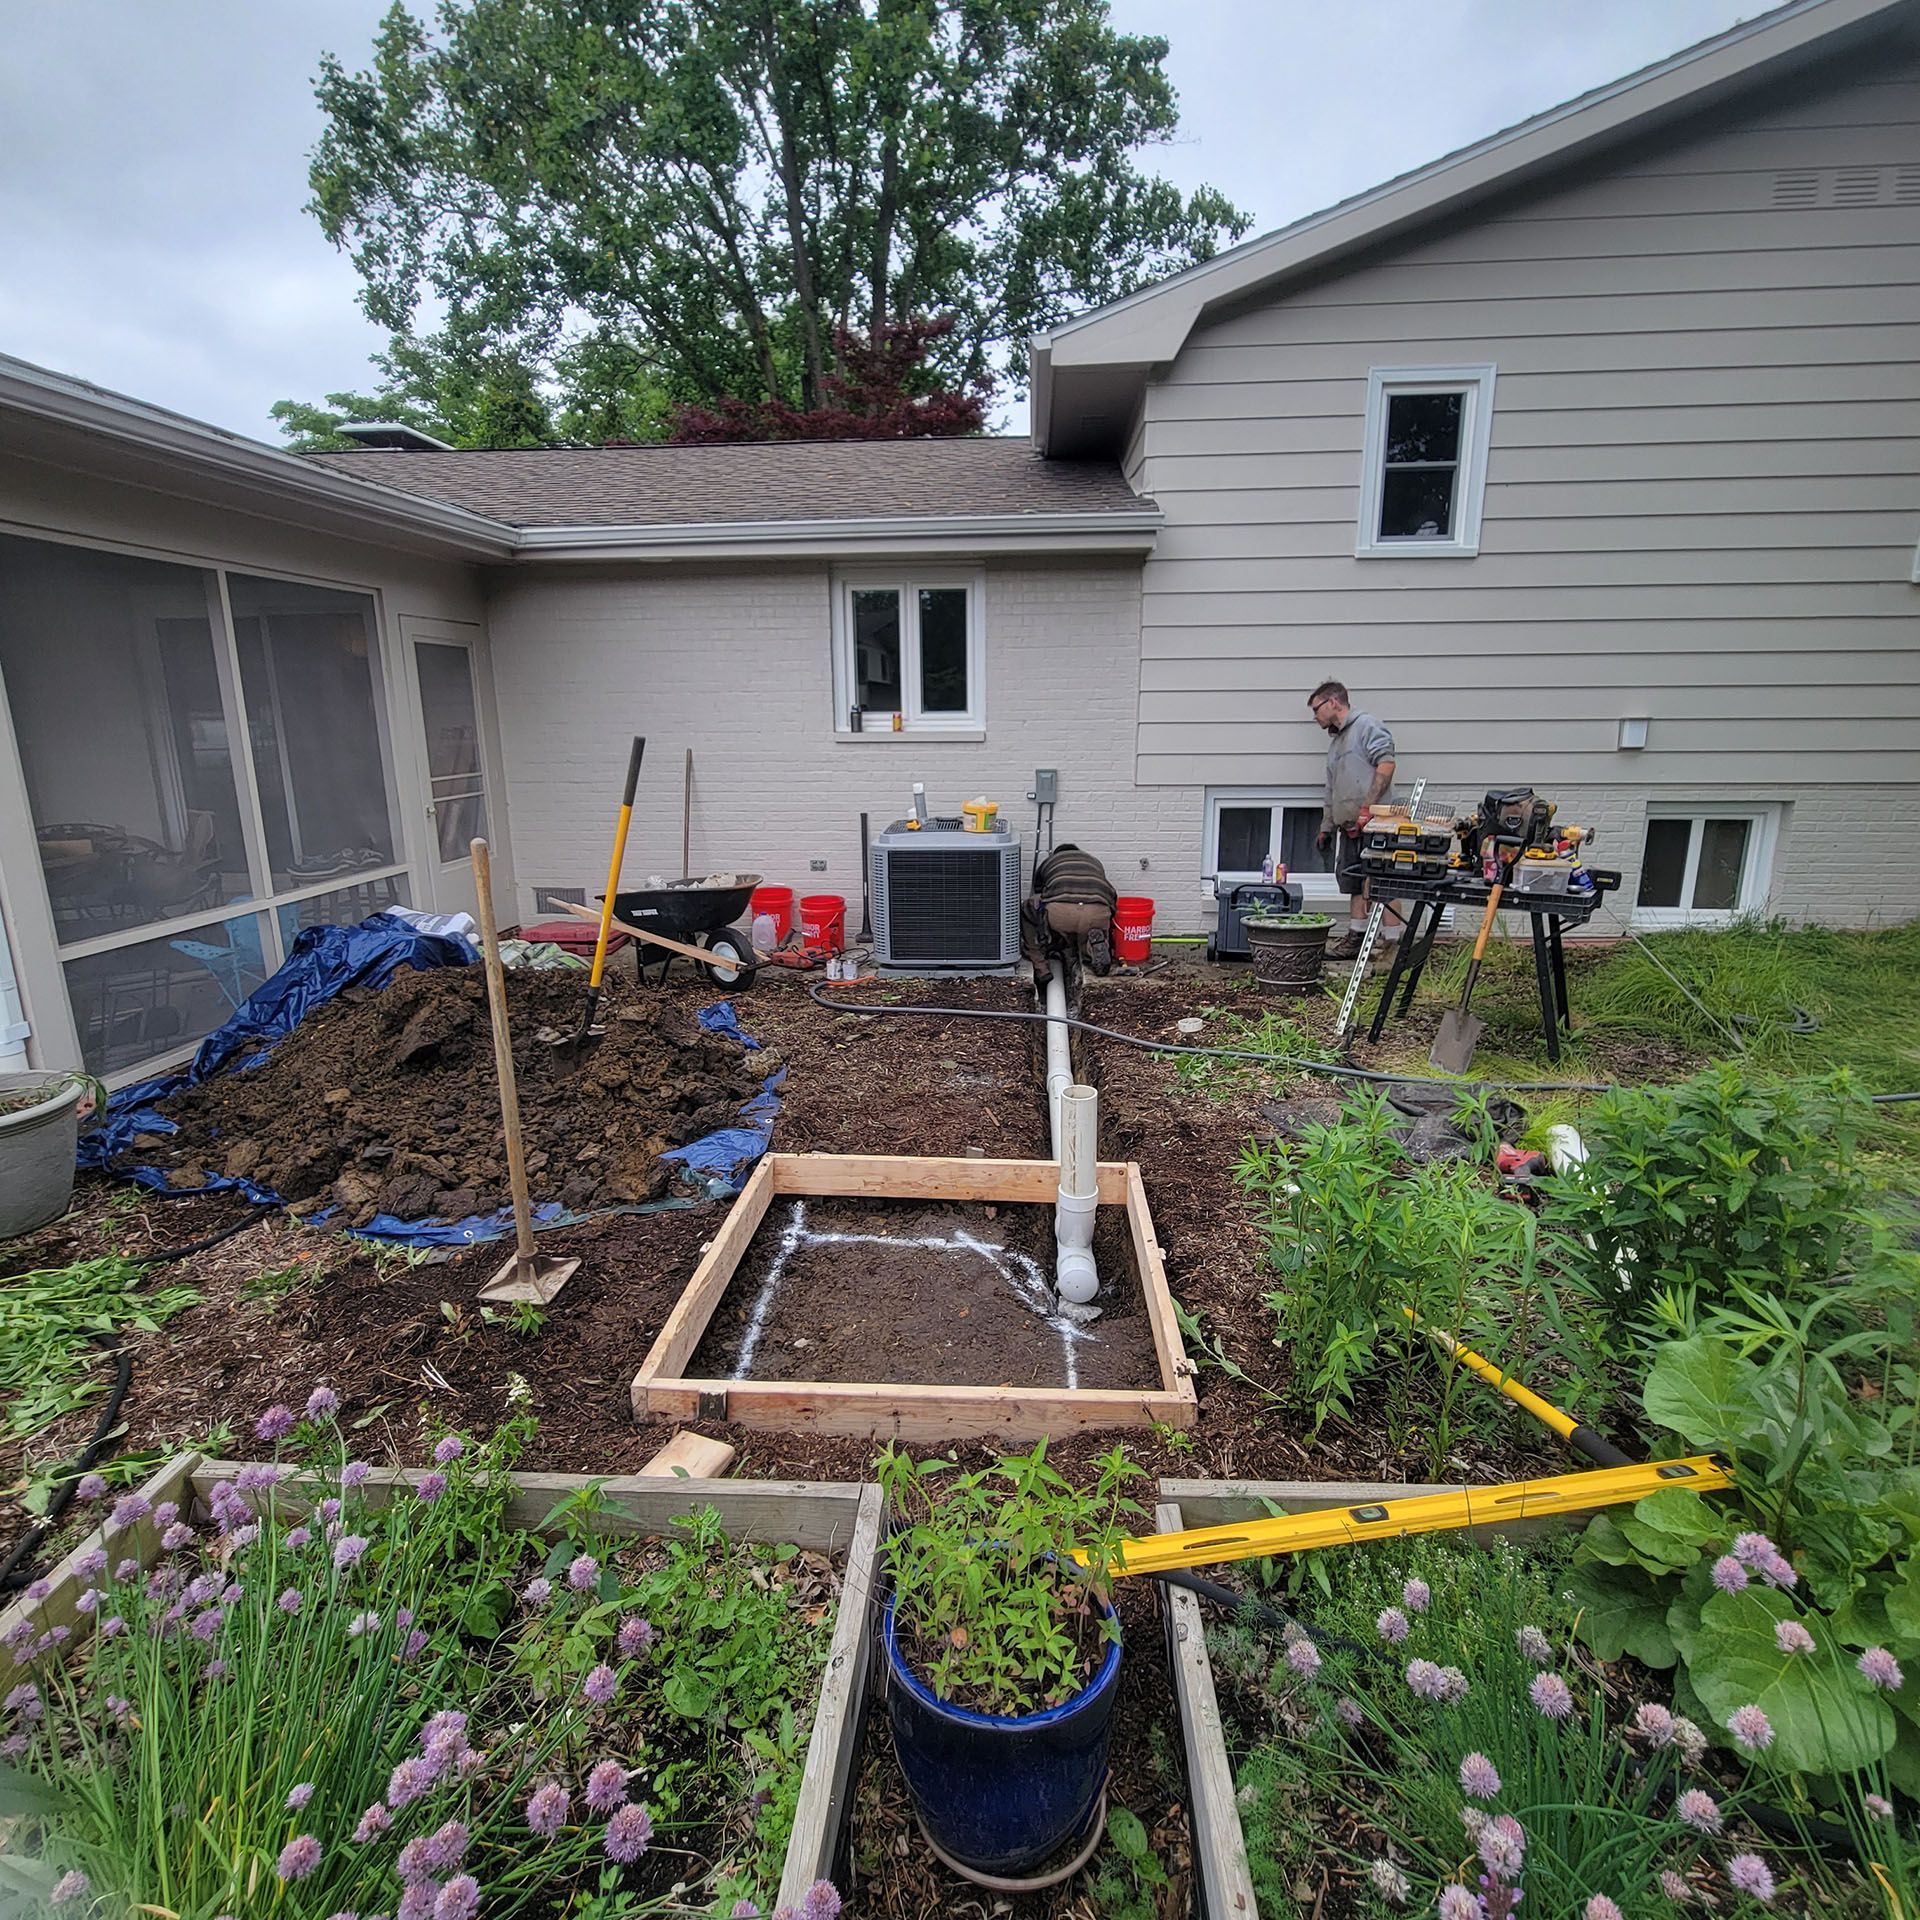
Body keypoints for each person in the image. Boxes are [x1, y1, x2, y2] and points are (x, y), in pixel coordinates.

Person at [1309, 679, 1397, 960]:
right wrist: (1326, 826)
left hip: (1376, 824)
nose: (1315, 717)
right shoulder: (1336, 744)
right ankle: (1356, 940)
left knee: (1383, 883)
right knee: (1353, 882)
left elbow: (1387, 763)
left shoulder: (1367, 726)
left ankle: (1392, 944)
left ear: (1333, 702)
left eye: (1316, 709)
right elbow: (1331, 789)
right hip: (1348, 826)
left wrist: (1368, 808)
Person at [1024, 843, 1117, 976]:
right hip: (1097, 913)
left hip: (1061, 914)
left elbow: (1039, 892)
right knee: (1087, 926)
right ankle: (1089, 950)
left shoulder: (1050, 862)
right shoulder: (1094, 862)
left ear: (1057, 854)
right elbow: (1112, 897)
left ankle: (1040, 963)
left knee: (1029, 907)